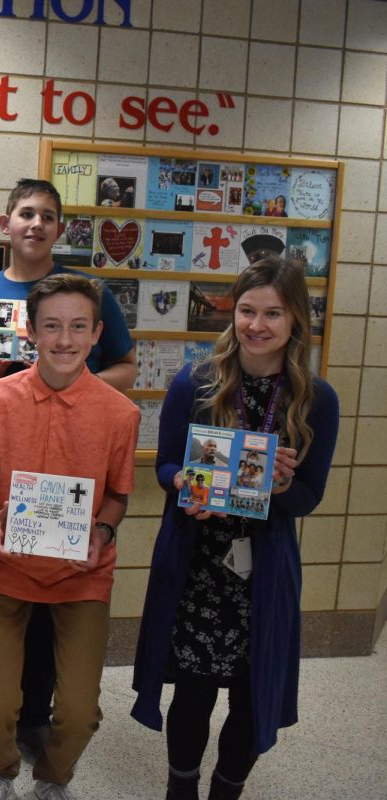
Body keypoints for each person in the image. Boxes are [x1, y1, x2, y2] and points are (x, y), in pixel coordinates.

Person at [0, 179, 137, 757]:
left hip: (78, 555)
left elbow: (118, 491)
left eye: (47, 215)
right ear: (7, 222)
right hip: (5, 523)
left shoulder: (94, 307)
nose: (65, 336)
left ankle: (43, 740)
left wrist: (85, 402)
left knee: (69, 695)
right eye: (26, 213)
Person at [131, 257, 339, 800]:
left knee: (251, 695)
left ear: (296, 320)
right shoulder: (196, 380)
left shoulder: (317, 399)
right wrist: (183, 486)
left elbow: (310, 497)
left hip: (263, 569)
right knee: (194, 692)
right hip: (199, 561)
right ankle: (181, 790)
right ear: (233, 313)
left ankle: (227, 790)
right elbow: (166, 465)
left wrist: (278, 489)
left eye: (274, 313)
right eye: (247, 310)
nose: (257, 325)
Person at [0, 273, 139, 800]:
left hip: (83, 572)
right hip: (5, 563)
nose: (64, 340)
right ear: (31, 332)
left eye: (78, 327)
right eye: (52, 327)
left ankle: (54, 778)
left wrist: (103, 531)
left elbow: (118, 493)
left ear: (96, 334)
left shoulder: (120, 413)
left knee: (80, 711)